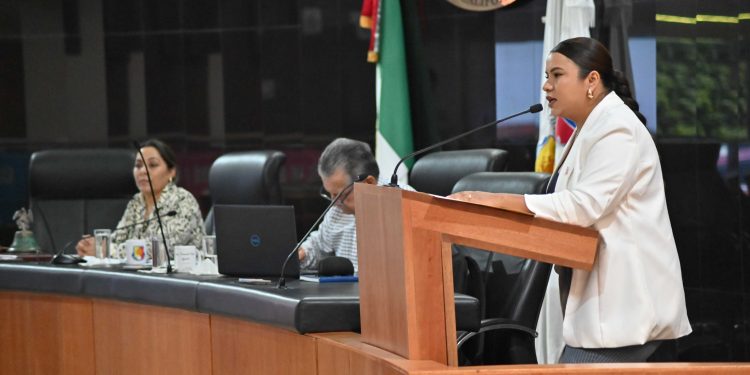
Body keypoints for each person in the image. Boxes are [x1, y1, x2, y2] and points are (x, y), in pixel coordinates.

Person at [449, 37, 691, 363]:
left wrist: (500, 201)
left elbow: (583, 206)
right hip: (603, 312)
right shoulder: (590, 127)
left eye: (557, 75)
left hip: (626, 309)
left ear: (591, 80)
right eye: (546, 76)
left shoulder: (617, 129)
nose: (547, 87)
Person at [76, 139, 205, 257]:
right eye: (138, 166)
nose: (143, 171)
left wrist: (107, 251)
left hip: (183, 279)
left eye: (153, 165)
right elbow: (117, 239)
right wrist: (92, 246)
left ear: (172, 172)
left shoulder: (183, 200)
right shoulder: (137, 202)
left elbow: (161, 249)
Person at [297, 138, 381, 273]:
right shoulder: (338, 210)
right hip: (346, 293)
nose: (334, 203)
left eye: (340, 194)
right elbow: (319, 247)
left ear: (369, 183)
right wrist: (301, 254)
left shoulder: (406, 206)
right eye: (330, 194)